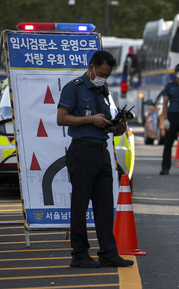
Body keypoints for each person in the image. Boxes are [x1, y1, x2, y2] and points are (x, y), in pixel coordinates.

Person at [57, 50, 134, 268]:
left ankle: (108, 253)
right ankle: (79, 254)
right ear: (91, 67)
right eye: (101, 73)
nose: (104, 78)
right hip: (82, 152)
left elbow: (111, 126)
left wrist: (119, 125)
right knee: (80, 205)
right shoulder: (74, 87)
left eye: (107, 75)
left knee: (105, 205)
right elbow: (61, 118)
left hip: (102, 151)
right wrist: (90, 119)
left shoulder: (104, 90)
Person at [160, 63, 179, 175]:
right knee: (168, 143)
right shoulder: (170, 85)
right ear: (176, 72)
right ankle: (165, 167)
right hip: (172, 116)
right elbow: (165, 103)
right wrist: (166, 119)